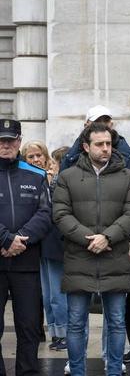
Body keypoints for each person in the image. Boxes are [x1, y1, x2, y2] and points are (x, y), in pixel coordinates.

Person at [53, 122, 130, 376]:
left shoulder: (128, 177)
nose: (105, 149)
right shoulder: (68, 177)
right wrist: (87, 238)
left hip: (114, 257)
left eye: (108, 144)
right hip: (79, 257)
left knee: (116, 322)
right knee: (76, 322)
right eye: (99, 144)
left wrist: (108, 237)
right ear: (86, 147)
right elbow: (60, 214)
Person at [0, 119, 51, 376]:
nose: (6, 145)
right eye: (2, 140)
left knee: (30, 326)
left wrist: (20, 239)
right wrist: (5, 239)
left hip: (26, 261)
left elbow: (45, 214)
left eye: (11, 140)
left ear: (20, 141)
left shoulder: (35, 174)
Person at [20, 141, 67, 352]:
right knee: (47, 294)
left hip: (55, 242)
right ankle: (55, 333)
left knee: (57, 293)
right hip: (37, 243)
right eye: (31, 157)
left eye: (39, 155)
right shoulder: (27, 179)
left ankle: (63, 334)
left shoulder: (54, 180)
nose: (36, 160)